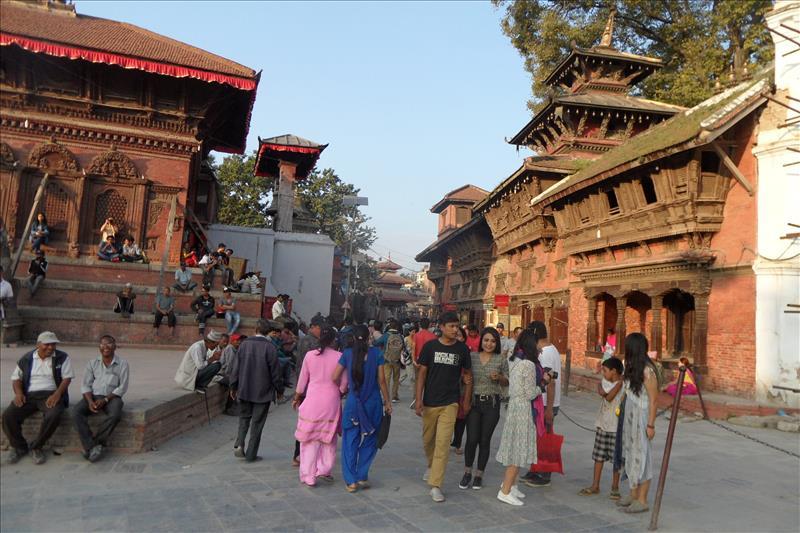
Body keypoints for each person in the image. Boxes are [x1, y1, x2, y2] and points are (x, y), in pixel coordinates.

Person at [415, 311, 472, 503]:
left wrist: (466, 397)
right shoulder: (430, 347)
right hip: (430, 402)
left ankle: (436, 485)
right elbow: (422, 374)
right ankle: (431, 466)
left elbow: (468, 374)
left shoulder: (462, 350)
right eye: (452, 326)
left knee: (443, 443)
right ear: (442, 327)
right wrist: (418, 399)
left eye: (458, 326)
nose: (456, 330)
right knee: (428, 440)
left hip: (451, 402)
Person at [333, 324, 392, 492]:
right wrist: (387, 402)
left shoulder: (347, 354)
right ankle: (361, 474)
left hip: (353, 402)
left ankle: (351, 481)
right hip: (373, 403)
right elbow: (381, 381)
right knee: (371, 439)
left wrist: (343, 389)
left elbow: (334, 376)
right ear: (369, 338)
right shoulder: (377, 354)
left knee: (350, 440)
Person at [496, 329, 551, 506]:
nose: (539, 347)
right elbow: (529, 393)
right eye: (537, 343)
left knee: (515, 446)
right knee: (518, 449)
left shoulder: (515, 358)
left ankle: (511, 486)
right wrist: (543, 383)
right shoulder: (527, 364)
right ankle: (505, 491)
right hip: (522, 409)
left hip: (514, 406)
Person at [2, 331, 74, 465]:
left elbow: (66, 379)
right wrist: (18, 393)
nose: (50, 348)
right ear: (38, 345)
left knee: (54, 415)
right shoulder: (27, 358)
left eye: (53, 344)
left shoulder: (62, 357)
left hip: (51, 394)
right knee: (8, 415)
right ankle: (19, 447)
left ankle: (37, 446)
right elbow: (16, 378)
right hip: (29, 395)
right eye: (47, 344)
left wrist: (57, 394)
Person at [292, 325, 347, 486]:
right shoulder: (339, 356)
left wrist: (296, 397)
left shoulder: (310, 356)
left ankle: (308, 475)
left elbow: (302, 381)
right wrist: (340, 391)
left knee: (309, 440)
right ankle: (324, 469)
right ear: (334, 340)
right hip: (331, 401)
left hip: (312, 400)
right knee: (328, 439)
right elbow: (344, 385)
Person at [459, 327, 508, 491]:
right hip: (474, 403)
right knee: (472, 439)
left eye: (493, 341)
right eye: (486, 340)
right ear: (481, 341)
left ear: (497, 343)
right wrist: (464, 380)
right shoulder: (472, 357)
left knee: (485, 440)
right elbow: (463, 376)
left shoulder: (500, 359)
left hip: (491, 404)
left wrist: (500, 378)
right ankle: (467, 472)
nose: (489, 344)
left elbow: (507, 381)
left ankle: (479, 474)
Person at [231, 319, 285, 462]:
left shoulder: (244, 345)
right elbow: (276, 373)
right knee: (257, 423)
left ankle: (239, 443)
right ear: (268, 332)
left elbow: (235, 369)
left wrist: (233, 386)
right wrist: (279, 390)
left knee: (243, 419)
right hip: (263, 391)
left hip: (244, 389)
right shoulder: (270, 348)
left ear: (255, 329)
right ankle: (251, 454)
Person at [617, 333, 659, 514]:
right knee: (630, 452)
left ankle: (642, 499)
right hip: (630, 415)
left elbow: (654, 400)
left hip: (642, 416)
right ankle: (633, 494)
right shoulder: (630, 366)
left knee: (643, 456)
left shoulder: (647, 371)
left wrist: (650, 425)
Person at [72, 335, 130, 463]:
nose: (106, 347)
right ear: (99, 347)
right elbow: (85, 385)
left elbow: (122, 387)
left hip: (112, 397)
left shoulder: (123, 364)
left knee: (115, 414)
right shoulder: (92, 363)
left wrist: (105, 400)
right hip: (93, 396)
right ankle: (91, 446)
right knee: (76, 412)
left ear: (115, 346)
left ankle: (96, 444)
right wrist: (90, 401)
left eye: (109, 344)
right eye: (102, 344)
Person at [522, 321, 561, 487]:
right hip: (544, 402)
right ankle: (535, 469)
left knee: (544, 439)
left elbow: (550, 382)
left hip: (545, 403)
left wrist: (549, 409)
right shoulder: (552, 349)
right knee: (538, 438)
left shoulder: (544, 353)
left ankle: (544, 474)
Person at [579, 357, 623, 498]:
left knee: (616, 459)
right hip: (602, 424)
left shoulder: (623, 384)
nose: (603, 373)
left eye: (605, 370)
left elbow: (609, 397)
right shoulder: (606, 382)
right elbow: (602, 390)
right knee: (598, 457)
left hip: (616, 427)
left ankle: (615, 487)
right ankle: (595, 485)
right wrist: (601, 388)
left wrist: (619, 383)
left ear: (614, 371)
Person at [450, 326, 469, 456]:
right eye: (456, 336)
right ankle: (445, 441)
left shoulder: (466, 352)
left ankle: (457, 443)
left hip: (461, 390)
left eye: (460, 336)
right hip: (448, 390)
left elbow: (468, 372)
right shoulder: (446, 350)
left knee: (460, 419)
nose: (458, 338)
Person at [376, 319, 404, 403]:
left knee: (386, 378)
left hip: (386, 360)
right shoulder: (400, 336)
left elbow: (376, 343)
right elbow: (404, 348)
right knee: (396, 379)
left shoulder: (386, 335)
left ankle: (386, 397)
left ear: (389, 326)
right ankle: (394, 396)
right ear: (397, 327)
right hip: (397, 360)